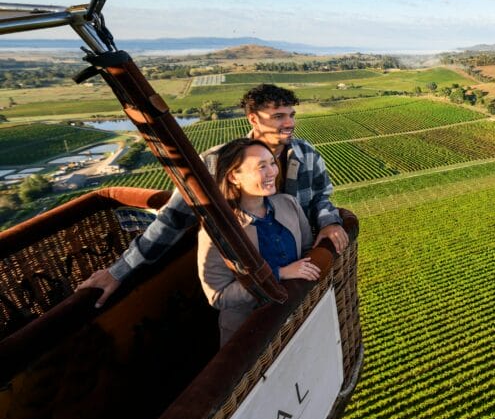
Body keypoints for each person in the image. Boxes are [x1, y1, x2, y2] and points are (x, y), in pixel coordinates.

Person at [77, 84, 349, 307]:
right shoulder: (213, 164)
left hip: (297, 276)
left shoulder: (306, 155)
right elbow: (172, 220)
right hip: (243, 286)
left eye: (291, 114)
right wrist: (121, 271)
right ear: (253, 118)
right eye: (278, 116)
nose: (289, 123)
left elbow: (320, 197)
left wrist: (330, 222)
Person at [199, 138, 319, 345]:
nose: (272, 172)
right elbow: (218, 296)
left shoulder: (288, 204)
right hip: (250, 336)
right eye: (262, 166)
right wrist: (279, 273)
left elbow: (308, 249)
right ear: (234, 176)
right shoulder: (217, 230)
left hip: (297, 320)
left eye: (272, 163)